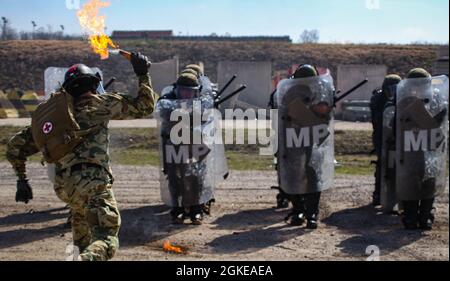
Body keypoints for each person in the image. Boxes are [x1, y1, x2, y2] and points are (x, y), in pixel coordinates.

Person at [6, 53, 158, 260]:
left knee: (82, 240)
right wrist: (142, 74)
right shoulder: (101, 104)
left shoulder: (53, 119)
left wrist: (22, 180)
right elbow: (146, 106)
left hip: (66, 188)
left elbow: (15, 147)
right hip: (93, 184)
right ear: (94, 85)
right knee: (106, 239)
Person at [276, 64, 335, 229]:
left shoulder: (321, 93)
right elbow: (280, 115)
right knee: (296, 175)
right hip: (293, 138)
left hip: (313, 140)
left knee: (312, 176)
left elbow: (326, 118)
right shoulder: (287, 93)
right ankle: (300, 211)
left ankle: (309, 213)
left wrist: (321, 110)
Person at [396, 68, 448, 230]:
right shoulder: (403, 101)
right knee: (411, 182)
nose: (419, 88)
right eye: (416, 85)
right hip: (410, 149)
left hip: (430, 149)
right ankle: (410, 216)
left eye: (422, 85)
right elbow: (398, 125)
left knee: (429, 183)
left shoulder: (436, 101)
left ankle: (426, 216)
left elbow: (441, 129)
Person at [370, 74, 402, 206]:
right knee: (383, 164)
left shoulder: (403, 98)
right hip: (381, 135)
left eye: (396, 89)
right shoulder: (378, 99)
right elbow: (378, 119)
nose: (393, 92)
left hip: (399, 135)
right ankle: (378, 194)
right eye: (391, 89)